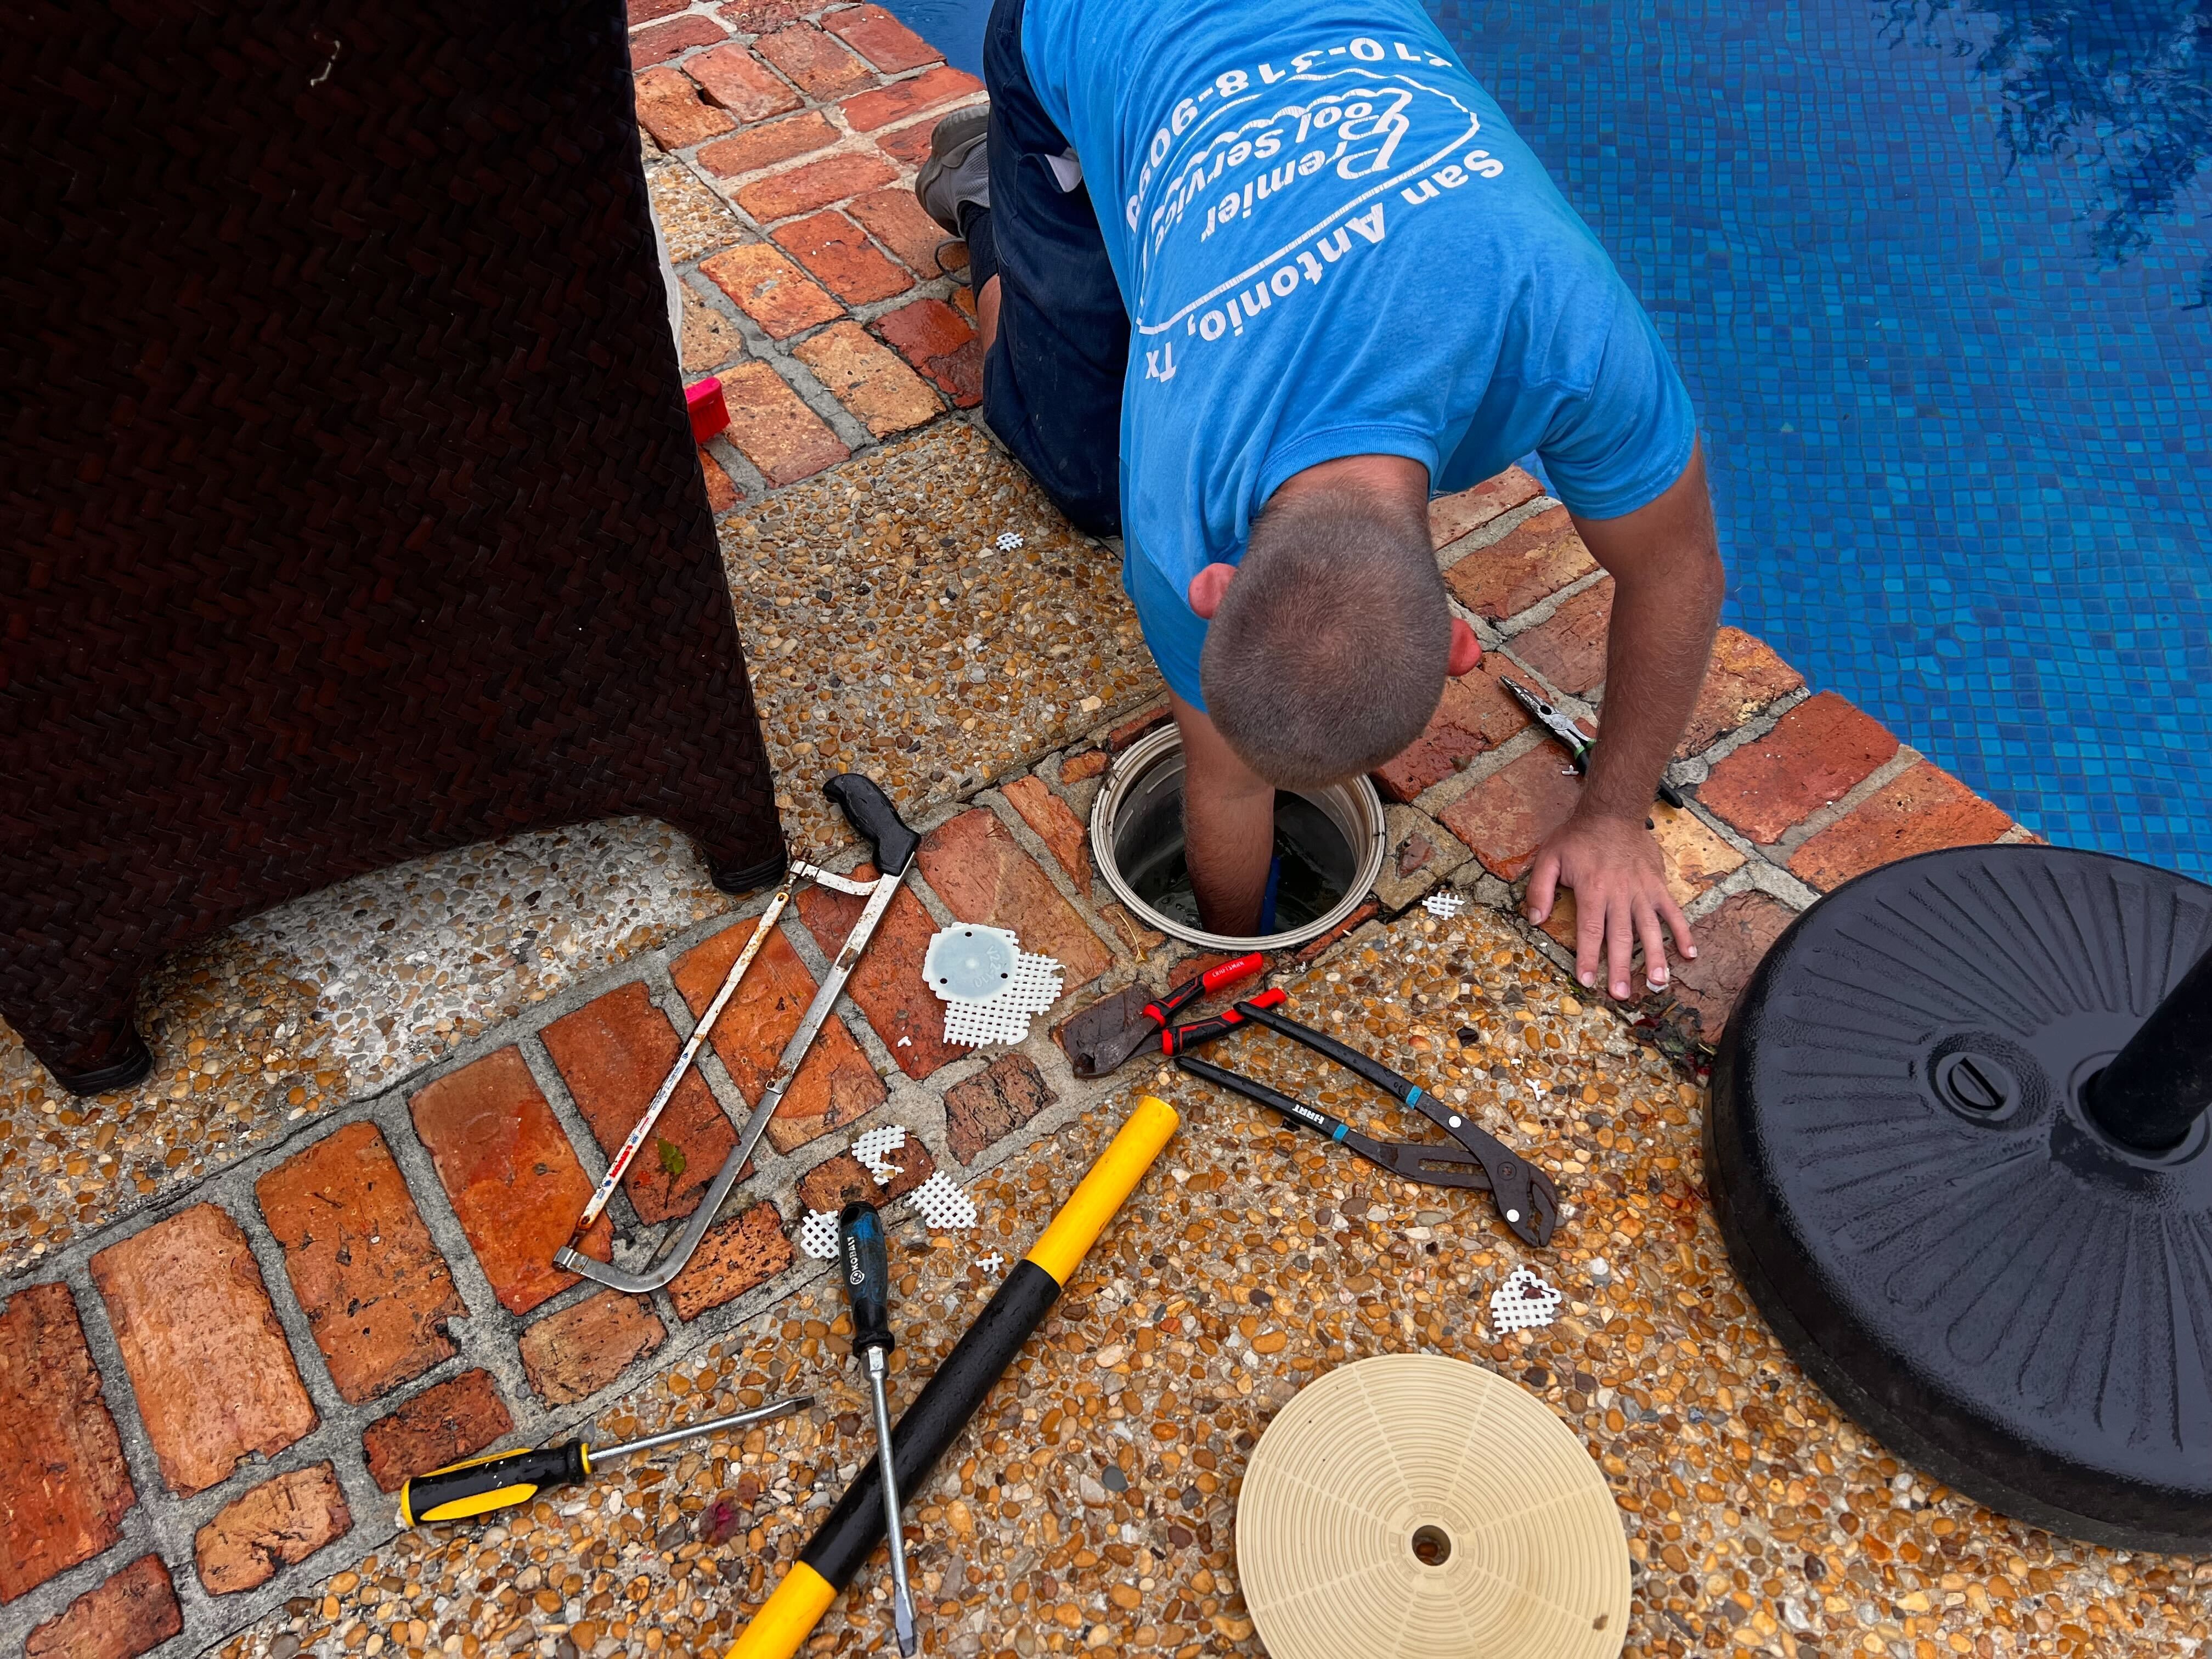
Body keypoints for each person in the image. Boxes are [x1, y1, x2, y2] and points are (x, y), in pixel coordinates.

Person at [916, 0, 1722, 1003]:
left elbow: (1680, 569)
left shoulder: (1573, 331)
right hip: (1074, 25)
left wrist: (1614, 815)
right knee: (1076, 472)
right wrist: (1240, 955)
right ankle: (997, 193)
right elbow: (1228, 783)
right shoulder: (1174, 505)